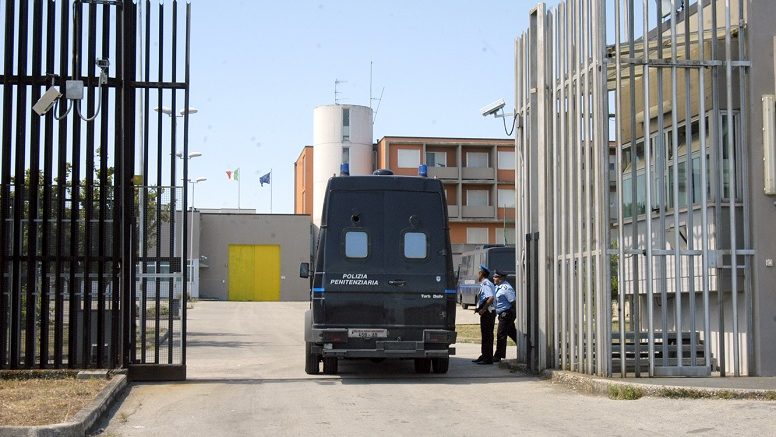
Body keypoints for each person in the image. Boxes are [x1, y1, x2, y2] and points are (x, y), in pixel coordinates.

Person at [472, 265, 496, 365]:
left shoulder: (486, 284)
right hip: (487, 313)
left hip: (488, 313)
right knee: (485, 335)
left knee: (487, 336)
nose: (477, 274)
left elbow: (490, 298)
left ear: (482, 274)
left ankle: (488, 358)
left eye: (479, 272)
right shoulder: (485, 283)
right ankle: (484, 355)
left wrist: (483, 309)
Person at [492, 269, 517, 363]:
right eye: (494, 276)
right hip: (502, 315)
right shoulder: (498, 287)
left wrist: (513, 316)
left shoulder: (506, 288)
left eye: (496, 277)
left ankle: (498, 356)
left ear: (501, 278)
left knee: (501, 335)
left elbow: (513, 302)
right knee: (512, 333)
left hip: (506, 315)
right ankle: (527, 348)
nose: (494, 278)